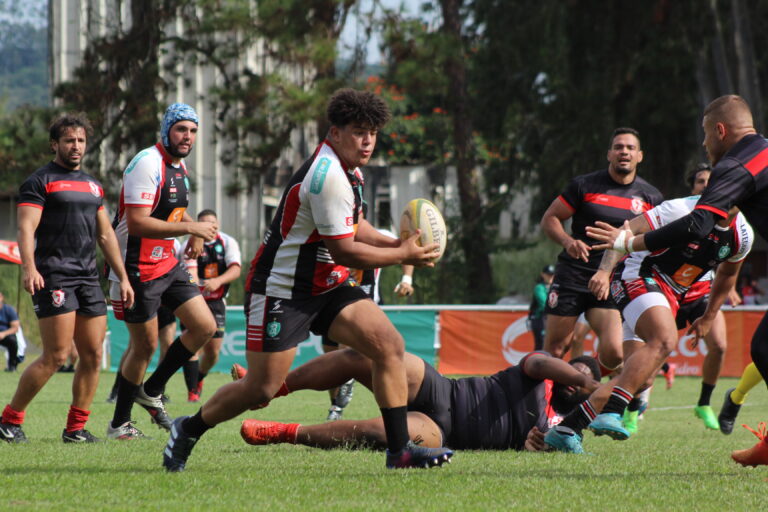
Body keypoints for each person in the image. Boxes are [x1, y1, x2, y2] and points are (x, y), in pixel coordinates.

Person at [161, 88, 452, 472]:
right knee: (261, 389)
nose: (367, 141)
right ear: (334, 133)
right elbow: (346, 250)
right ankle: (189, 428)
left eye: (373, 133)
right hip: (282, 289)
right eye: (359, 131)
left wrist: (395, 241)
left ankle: (399, 451)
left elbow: (356, 224)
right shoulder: (328, 176)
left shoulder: (351, 170)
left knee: (389, 346)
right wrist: (403, 255)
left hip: (327, 284)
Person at [578, 95, 768, 465]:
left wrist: (628, 242)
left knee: (758, 349)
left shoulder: (735, 167)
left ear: (720, 130)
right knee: (762, 350)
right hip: (655, 284)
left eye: (704, 134)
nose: (703, 145)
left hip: (667, 283)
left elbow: (699, 224)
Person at [545, 192, 753, 453]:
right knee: (665, 340)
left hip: (671, 293)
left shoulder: (743, 235)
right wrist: (604, 270)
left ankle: (567, 428)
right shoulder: (681, 209)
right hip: (637, 275)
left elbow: (727, 276)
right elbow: (627, 231)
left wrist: (708, 317)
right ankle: (612, 409)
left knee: (640, 379)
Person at [1, 112, 134, 444]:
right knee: (56, 355)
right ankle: (9, 421)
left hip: (89, 278)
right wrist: (29, 268)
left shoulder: (92, 186)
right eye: (69, 140)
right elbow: (26, 228)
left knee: (91, 355)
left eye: (81, 140)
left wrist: (124, 277)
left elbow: (106, 237)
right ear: (54, 144)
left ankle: (75, 428)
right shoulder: (39, 181)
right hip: (53, 276)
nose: (76, 146)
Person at [231, 349, 601, 452]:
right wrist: (585, 378)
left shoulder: (566, 429)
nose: (579, 378)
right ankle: (271, 389)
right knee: (362, 356)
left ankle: (283, 432)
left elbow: (558, 448)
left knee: (381, 433)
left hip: (443, 431)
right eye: (576, 371)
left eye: (588, 376)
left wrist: (535, 448)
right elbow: (541, 360)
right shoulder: (541, 371)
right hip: (441, 390)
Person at [106, 103, 218, 440]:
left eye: (193, 130)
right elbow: (138, 223)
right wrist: (190, 229)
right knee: (144, 347)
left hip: (168, 263)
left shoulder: (179, 167)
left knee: (204, 326)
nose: (188, 137)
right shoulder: (146, 163)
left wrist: (192, 228)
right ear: (167, 130)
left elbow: (173, 215)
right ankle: (119, 425)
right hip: (136, 267)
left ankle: (151, 389)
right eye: (181, 129)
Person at [540, 127, 663, 374]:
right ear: (609, 154)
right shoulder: (583, 185)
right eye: (618, 147)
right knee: (555, 348)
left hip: (612, 280)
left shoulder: (651, 197)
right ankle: (543, 405)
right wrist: (568, 241)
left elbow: (655, 242)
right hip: (573, 275)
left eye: (630, 148)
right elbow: (550, 218)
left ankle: (584, 386)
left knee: (614, 353)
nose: (624, 152)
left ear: (640, 156)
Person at [181, 209, 241, 402]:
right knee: (192, 346)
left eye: (212, 224)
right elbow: (187, 270)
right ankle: (192, 392)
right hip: (191, 302)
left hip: (216, 302)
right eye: (204, 224)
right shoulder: (187, 245)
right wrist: (194, 286)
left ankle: (199, 377)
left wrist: (218, 281)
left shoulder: (228, 242)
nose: (209, 227)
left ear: (218, 225)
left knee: (213, 352)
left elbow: (236, 269)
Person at [528, 265, 555, 351]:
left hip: (551, 318)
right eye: (548, 274)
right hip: (540, 319)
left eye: (552, 274)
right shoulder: (539, 288)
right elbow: (544, 304)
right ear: (543, 275)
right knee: (541, 344)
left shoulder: (555, 287)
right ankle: (536, 363)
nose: (550, 277)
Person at [0, 291, 20, 372]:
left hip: (5, 335)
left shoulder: (9, 310)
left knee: (13, 341)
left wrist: (3, 334)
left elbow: (15, 328)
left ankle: (12, 366)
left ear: (1, 298)